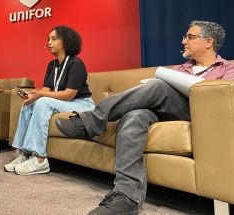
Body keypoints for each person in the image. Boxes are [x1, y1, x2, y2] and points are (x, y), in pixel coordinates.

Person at [55, 20, 234, 215]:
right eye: (185, 37)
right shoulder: (180, 69)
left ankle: (92, 120)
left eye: (190, 37)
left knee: (158, 86)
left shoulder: (227, 69)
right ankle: (127, 196)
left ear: (208, 42)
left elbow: (226, 99)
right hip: (164, 112)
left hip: (200, 115)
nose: (184, 41)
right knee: (134, 116)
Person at [4, 25, 95, 175]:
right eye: (48, 39)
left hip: (82, 104)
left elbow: (69, 94)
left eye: (53, 39)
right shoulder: (51, 65)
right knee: (29, 103)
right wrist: (33, 93)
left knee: (43, 101)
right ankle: (24, 154)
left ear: (65, 41)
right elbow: (46, 90)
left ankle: (40, 159)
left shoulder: (76, 63)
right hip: (66, 103)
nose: (49, 42)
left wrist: (41, 96)